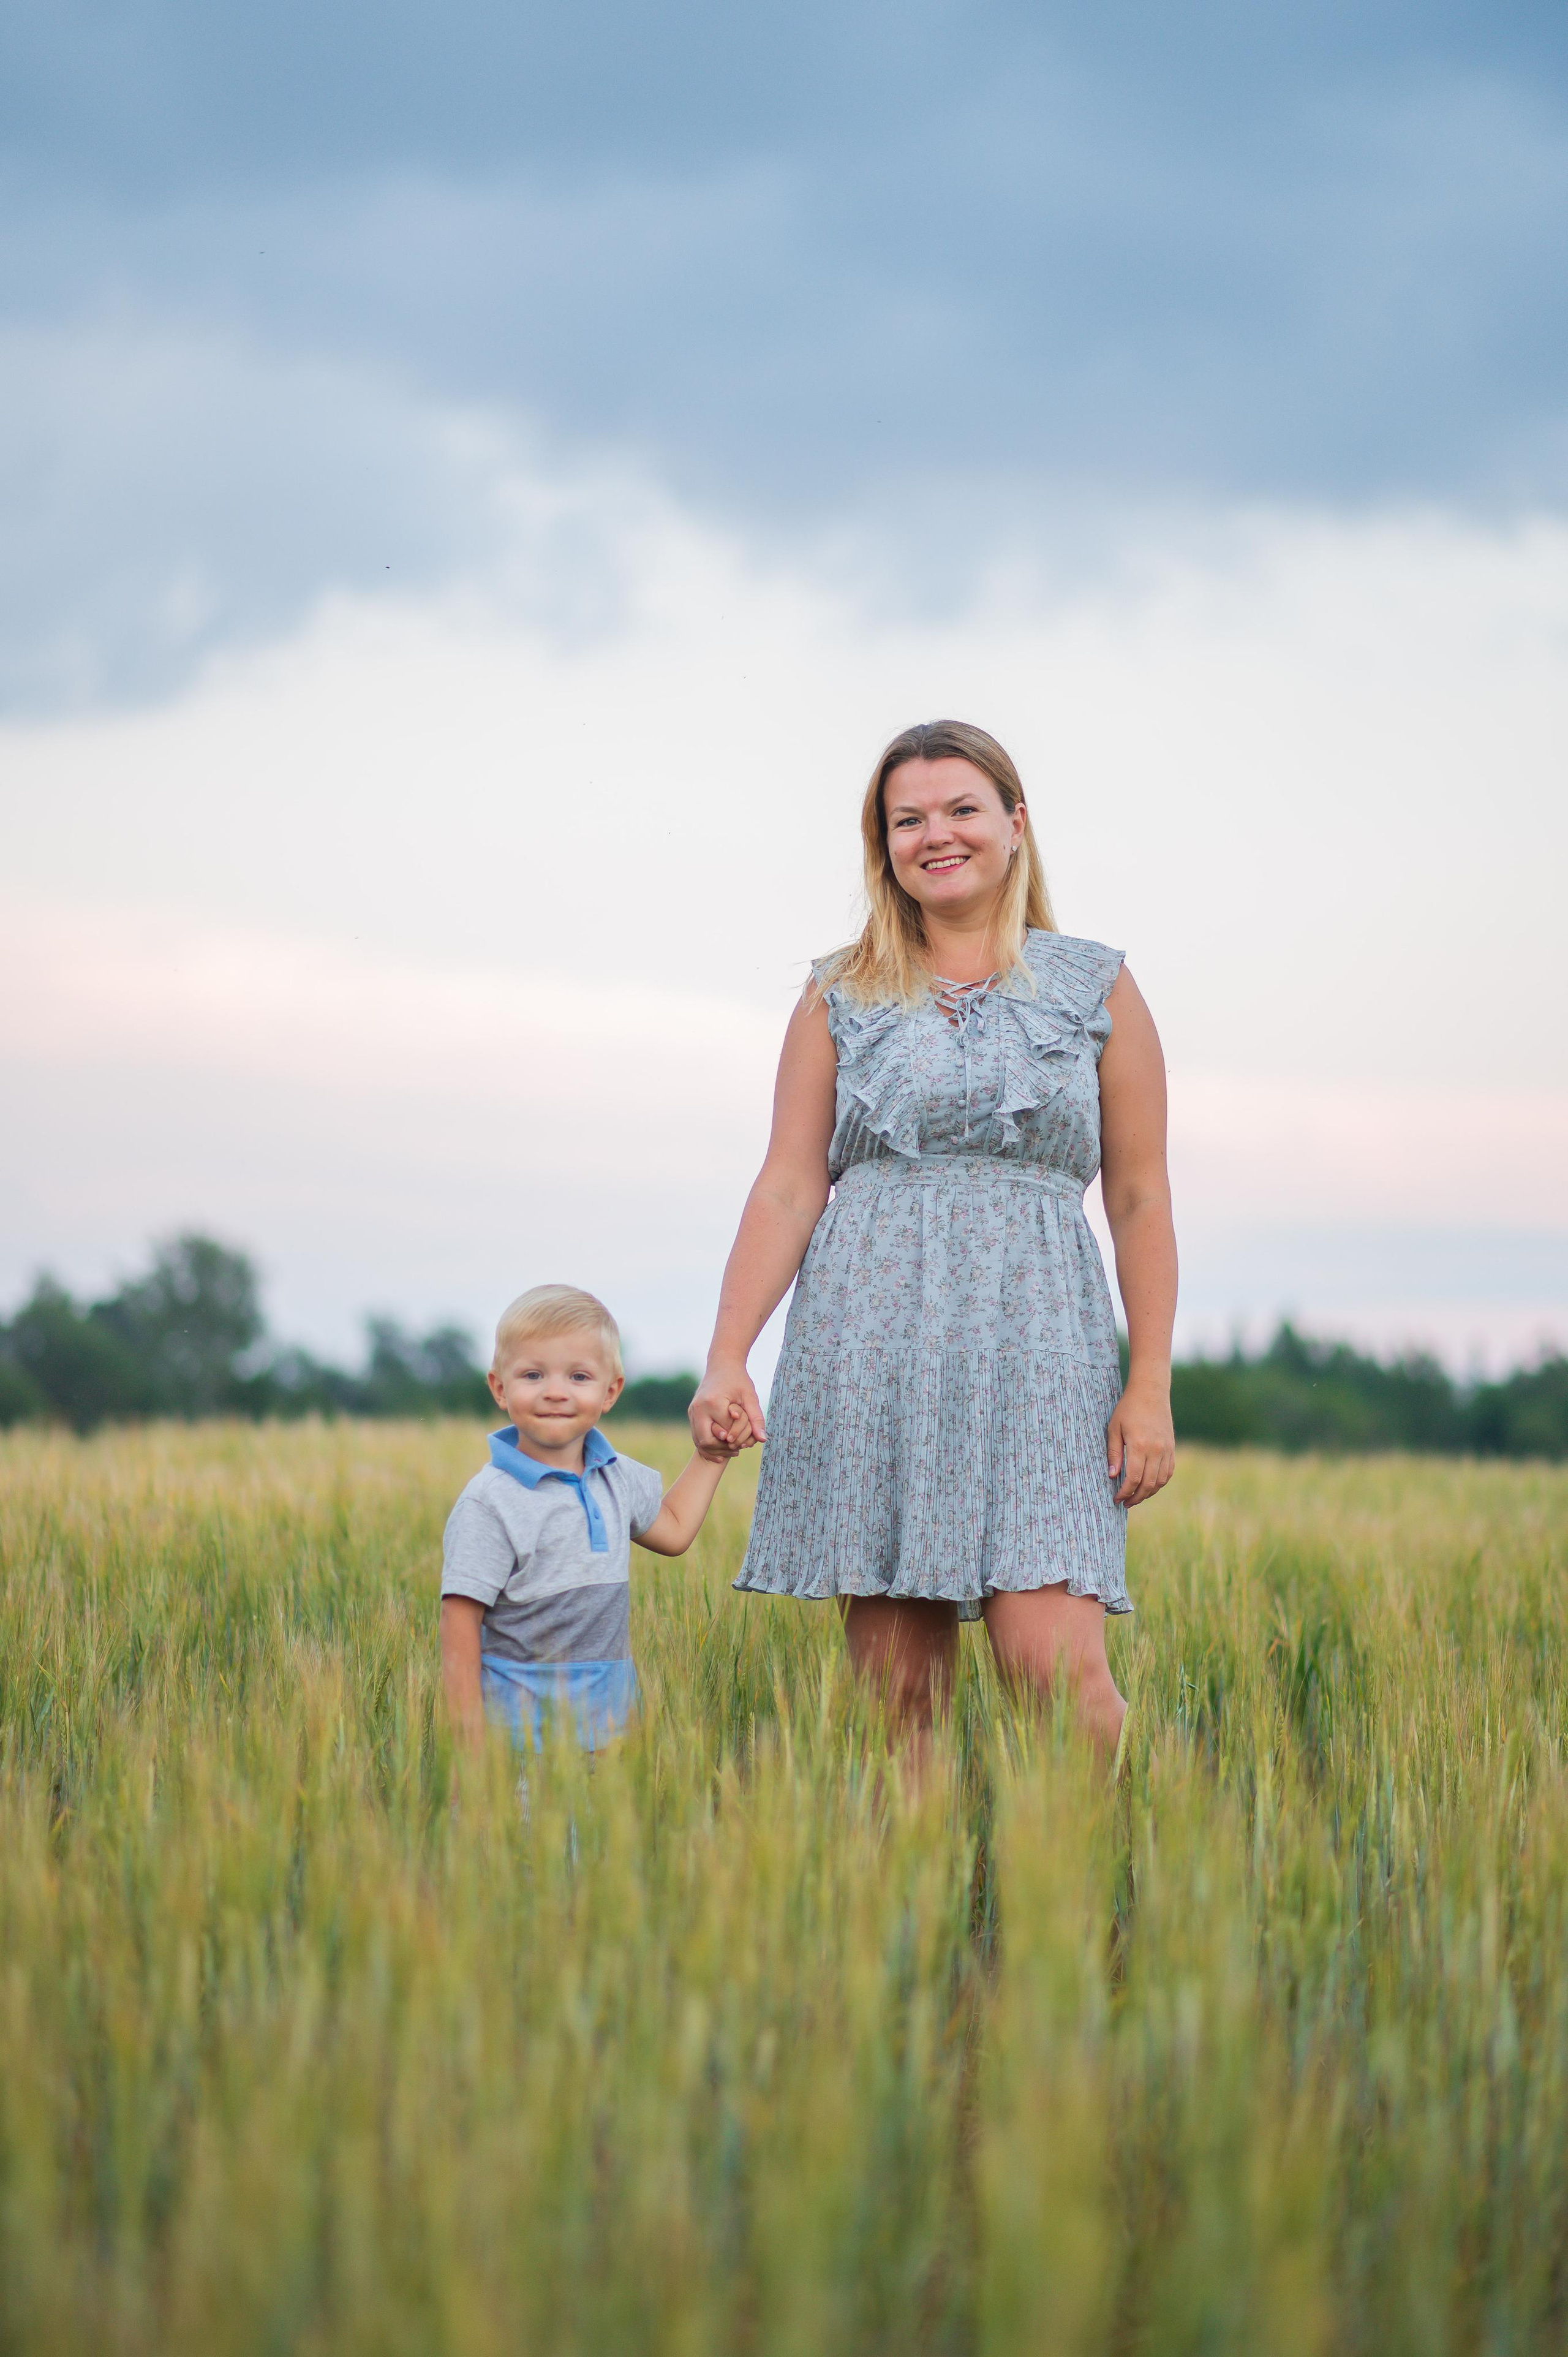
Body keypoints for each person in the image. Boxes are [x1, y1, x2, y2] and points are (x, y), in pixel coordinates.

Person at [690, 720, 1177, 1758]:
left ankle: (1118, 1906)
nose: (936, 835)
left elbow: (1140, 1195)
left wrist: (1151, 1382)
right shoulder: (838, 991)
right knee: (895, 1697)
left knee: (1056, 1672)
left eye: (960, 809)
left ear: (1015, 823)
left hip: (1042, 1349)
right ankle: (916, 1914)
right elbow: (786, 1186)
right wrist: (727, 1356)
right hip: (868, 1344)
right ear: (885, 845)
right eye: (907, 818)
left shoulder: (1097, 985)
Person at [441, 1284, 739, 1758]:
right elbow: (458, 1625)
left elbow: (675, 1528)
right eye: (533, 1374)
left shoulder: (617, 1477)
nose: (556, 1391)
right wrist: (469, 1752)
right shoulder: (491, 1502)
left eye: (579, 1376)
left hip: (613, 1738)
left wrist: (711, 1457)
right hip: (520, 1747)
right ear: (500, 1387)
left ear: (610, 1391)